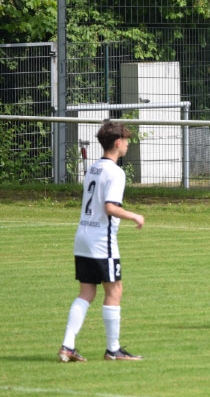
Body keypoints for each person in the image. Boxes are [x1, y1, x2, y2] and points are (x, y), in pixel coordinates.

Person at [59, 120, 146, 362]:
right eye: (126, 140)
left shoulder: (94, 168)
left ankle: (67, 346)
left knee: (86, 292)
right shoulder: (115, 172)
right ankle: (113, 350)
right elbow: (110, 207)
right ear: (118, 143)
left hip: (83, 236)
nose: (127, 144)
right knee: (114, 289)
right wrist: (134, 215)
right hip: (101, 239)